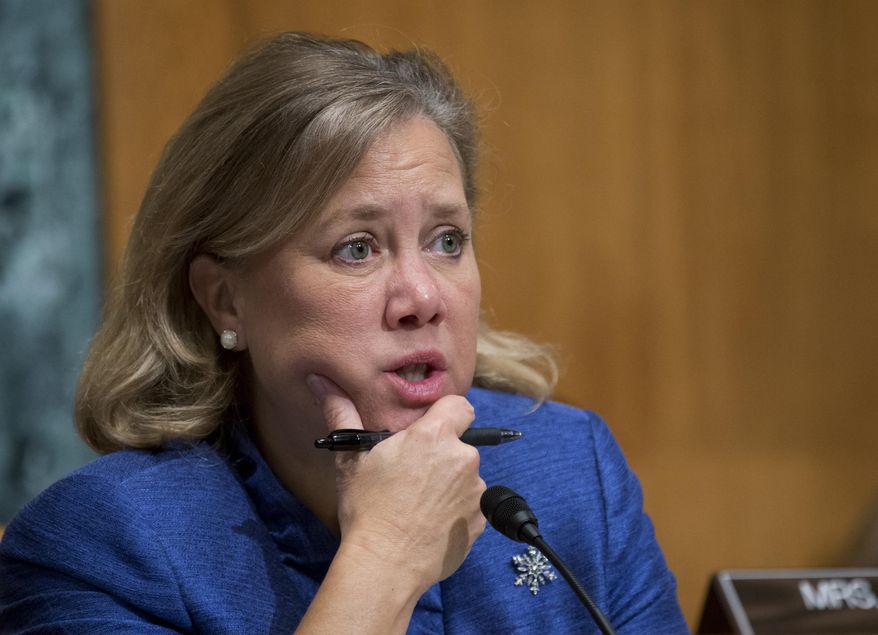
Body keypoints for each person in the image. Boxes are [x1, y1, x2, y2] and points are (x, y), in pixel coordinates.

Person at [0, 32, 687, 633]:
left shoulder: (573, 475)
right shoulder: (104, 545)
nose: (421, 297)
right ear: (224, 299)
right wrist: (385, 557)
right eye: (357, 248)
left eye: (447, 240)